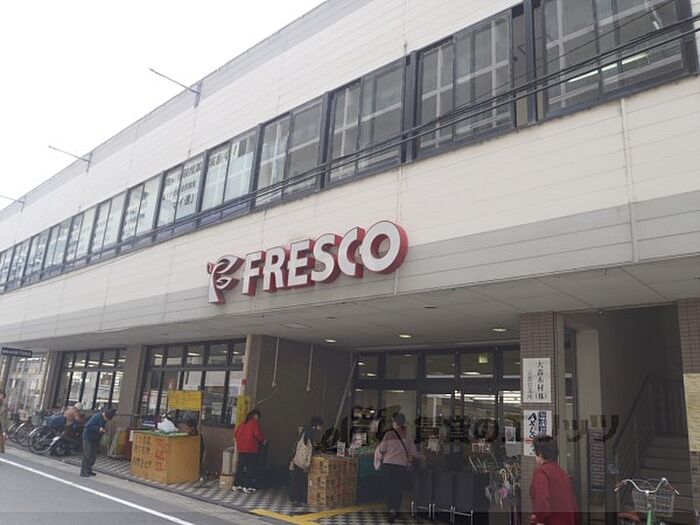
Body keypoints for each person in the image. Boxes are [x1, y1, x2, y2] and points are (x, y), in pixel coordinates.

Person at [374, 413, 422, 523]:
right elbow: (414, 452)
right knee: (398, 488)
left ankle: (391, 509)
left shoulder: (389, 434)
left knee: (388, 488)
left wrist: (379, 460)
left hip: (388, 465)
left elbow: (382, 449)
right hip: (401, 466)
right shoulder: (408, 436)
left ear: (395, 423)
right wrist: (422, 456)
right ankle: (395, 509)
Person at [529, 435, 580, 525]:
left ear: (539, 454)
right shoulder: (562, 473)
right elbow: (573, 505)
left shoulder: (541, 472)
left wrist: (539, 520)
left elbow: (542, 503)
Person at [289, 416, 324, 505]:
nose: (321, 428)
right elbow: (309, 451)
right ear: (317, 425)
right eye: (321, 426)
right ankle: (300, 500)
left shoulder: (305, 431)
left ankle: (295, 499)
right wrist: (307, 464)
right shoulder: (310, 434)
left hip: (297, 459)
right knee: (302, 481)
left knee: (296, 480)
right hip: (302, 461)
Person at [234, 409, 267, 494]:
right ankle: (247, 486)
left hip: (241, 448)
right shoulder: (254, 424)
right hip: (251, 449)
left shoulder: (242, 424)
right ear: (255, 416)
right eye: (258, 417)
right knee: (250, 468)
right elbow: (257, 434)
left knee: (240, 467)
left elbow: (236, 434)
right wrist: (263, 440)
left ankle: (237, 484)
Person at [81, 408, 116, 478]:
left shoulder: (104, 419)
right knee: (87, 454)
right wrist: (98, 428)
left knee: (93, 455)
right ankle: (83, 471)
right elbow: (88, 426)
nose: (106, 419)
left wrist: (103, 431)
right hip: (88, 438)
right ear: (105, 415)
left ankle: (89, 470)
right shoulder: (97, 417)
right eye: (107, 418)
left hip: (96, 439)